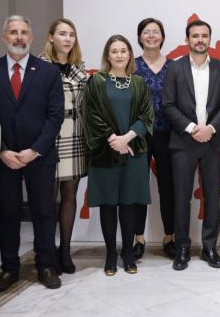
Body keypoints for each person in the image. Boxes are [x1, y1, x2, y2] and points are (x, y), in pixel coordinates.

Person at [0, 15, 64, 292]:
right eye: (13, 32)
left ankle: (45, 265)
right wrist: (2, 151)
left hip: (39, 156)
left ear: (32, 37)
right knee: (8, 213)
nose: (18, 37)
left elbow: (55, 116)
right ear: (4, 37)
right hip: (4, 158)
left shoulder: (48, 72)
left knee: (44, 211)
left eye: (23, 32)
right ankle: (9, 268)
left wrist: (36, 150)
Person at [163, 19, 220, 270]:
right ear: (187, 39)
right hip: (183, 143)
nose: (200, 40)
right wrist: (193, 129)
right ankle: (182, 247)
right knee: (181, 198)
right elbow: (168, 104)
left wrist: (210, 129)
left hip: (213, 142)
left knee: (212, 197)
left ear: (210, 39)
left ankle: (209, 247)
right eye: (195, 36)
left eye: (204, 35)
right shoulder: (175, 68)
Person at [82, 34, 153, 276]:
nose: (120, 55)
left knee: (129, 204)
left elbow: (147, 116)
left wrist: (127, 138)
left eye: (124, 50)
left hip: (133, 151)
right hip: (105, 151)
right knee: (109, 204)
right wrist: (114, 140)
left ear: (130, 55)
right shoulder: (96, 82)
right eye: (115, 51)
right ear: (107, 56)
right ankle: (111, 254)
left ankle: (128, 254)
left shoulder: (139, 83)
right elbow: (90, 115)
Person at [39, 18, 89, 274]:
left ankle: (65, 251)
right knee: (47, 199)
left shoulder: (79, 67)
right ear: (50, 37)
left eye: (71, 34)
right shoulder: (38, 66)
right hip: (49, 139)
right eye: (62, 34)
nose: (67, 39)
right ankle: (46, 253)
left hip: (75, 138)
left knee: (70, 195)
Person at [133, 18, 176, 260]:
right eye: (146, 32)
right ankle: (138, 238)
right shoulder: (131, 66)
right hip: (138, 135)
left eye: (156, 32)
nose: (151, 36)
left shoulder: (174, 66)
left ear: (162, 37)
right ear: (139, 37)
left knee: (168, 187)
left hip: (169, 134)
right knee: (138, 187)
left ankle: (169, 237)